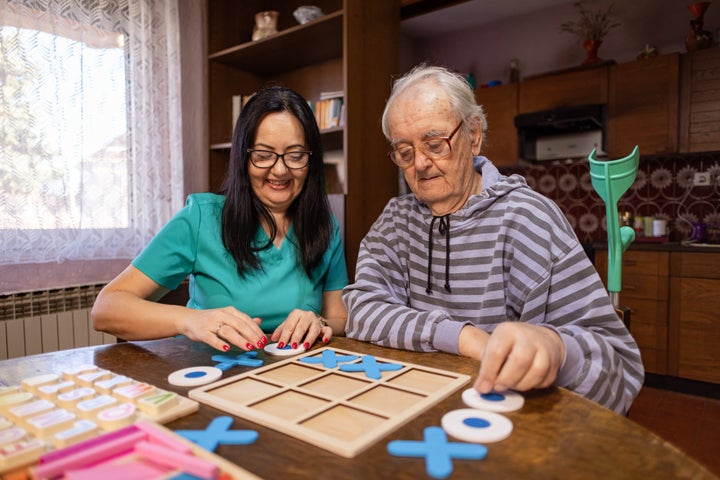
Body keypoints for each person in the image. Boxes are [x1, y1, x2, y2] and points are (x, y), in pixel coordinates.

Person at [343, 65, 644, 415]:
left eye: (434, 143)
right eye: (405, 152)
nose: (420, 164)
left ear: (474, 136)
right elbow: (361, 311)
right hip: (420, 409)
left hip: (513, 421)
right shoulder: (396, 221)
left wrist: (558, 349)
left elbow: (620, 373)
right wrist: (464, 337)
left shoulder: (528, 219)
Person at [92, 85, 348, 353]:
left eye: (295, 156)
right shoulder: (202, 218)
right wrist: (190, 320)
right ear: (242, 158)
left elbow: (339, 318)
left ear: (312, 161)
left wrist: (319, 321)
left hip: (293, 374)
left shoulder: (325, 226)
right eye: (263, 156)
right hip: (209, 375)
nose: (281, 169)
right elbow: (106, 308)